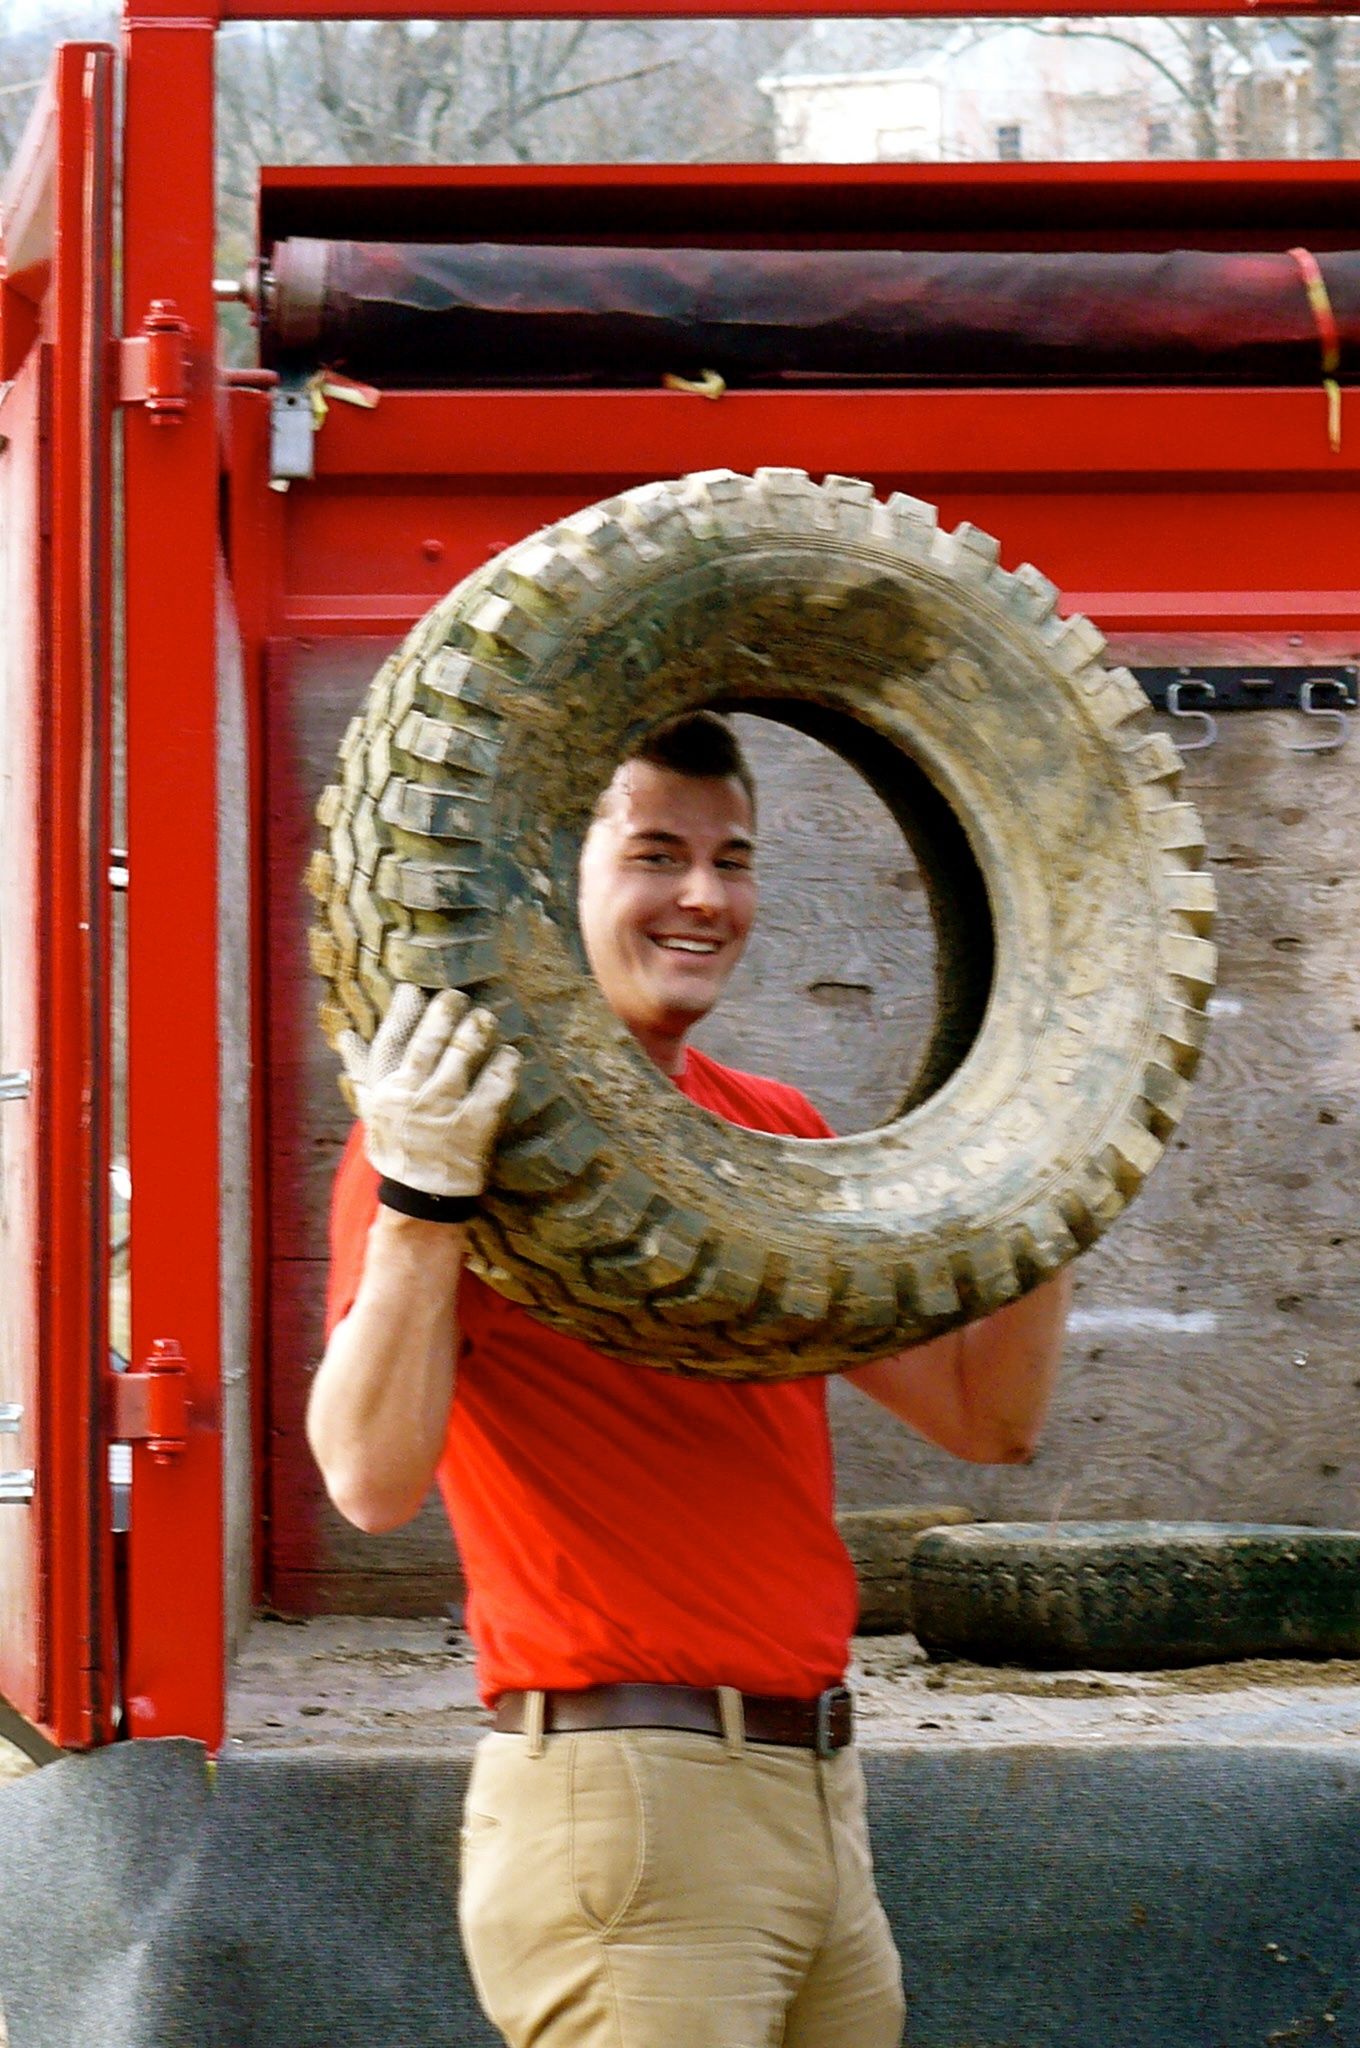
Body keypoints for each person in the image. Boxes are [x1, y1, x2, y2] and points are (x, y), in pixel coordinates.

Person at [308, 710, 1072, 2048]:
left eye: (735, 858)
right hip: (630, 1801)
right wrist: (420, 1200)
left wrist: (1056, 1158)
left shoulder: (776, 1130)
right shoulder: (455, 1132)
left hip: (818, 1791)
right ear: (559, 873)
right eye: (657, 853)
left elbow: (985, 1415)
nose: (706, 898)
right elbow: (369, 1479)